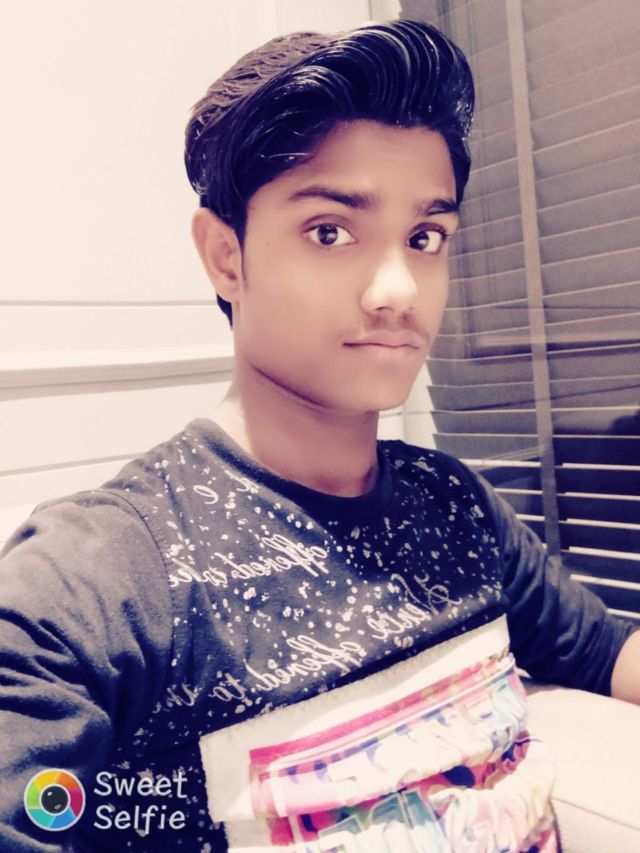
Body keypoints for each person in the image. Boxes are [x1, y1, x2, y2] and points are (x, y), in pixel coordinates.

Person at [0, 18, 638, 853]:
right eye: (330, 231)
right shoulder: (101, 579)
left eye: (425, 237)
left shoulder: (456, 506)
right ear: (225, 256)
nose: (397, 288)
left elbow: (606, 654)